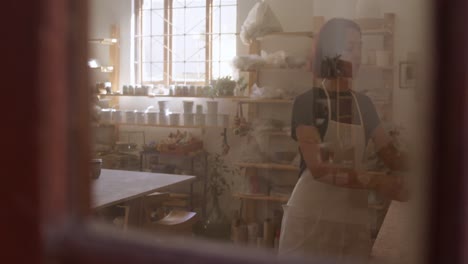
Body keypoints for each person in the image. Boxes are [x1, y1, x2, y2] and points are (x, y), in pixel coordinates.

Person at [278, 18, 408, 262]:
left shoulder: (365, 105)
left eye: (360, 46)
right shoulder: (307, 103)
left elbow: (390, 155)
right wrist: (378, 181)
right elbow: (319, 168)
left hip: (352, 219)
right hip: (311, 218)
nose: (358, 55)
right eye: (350, 47)